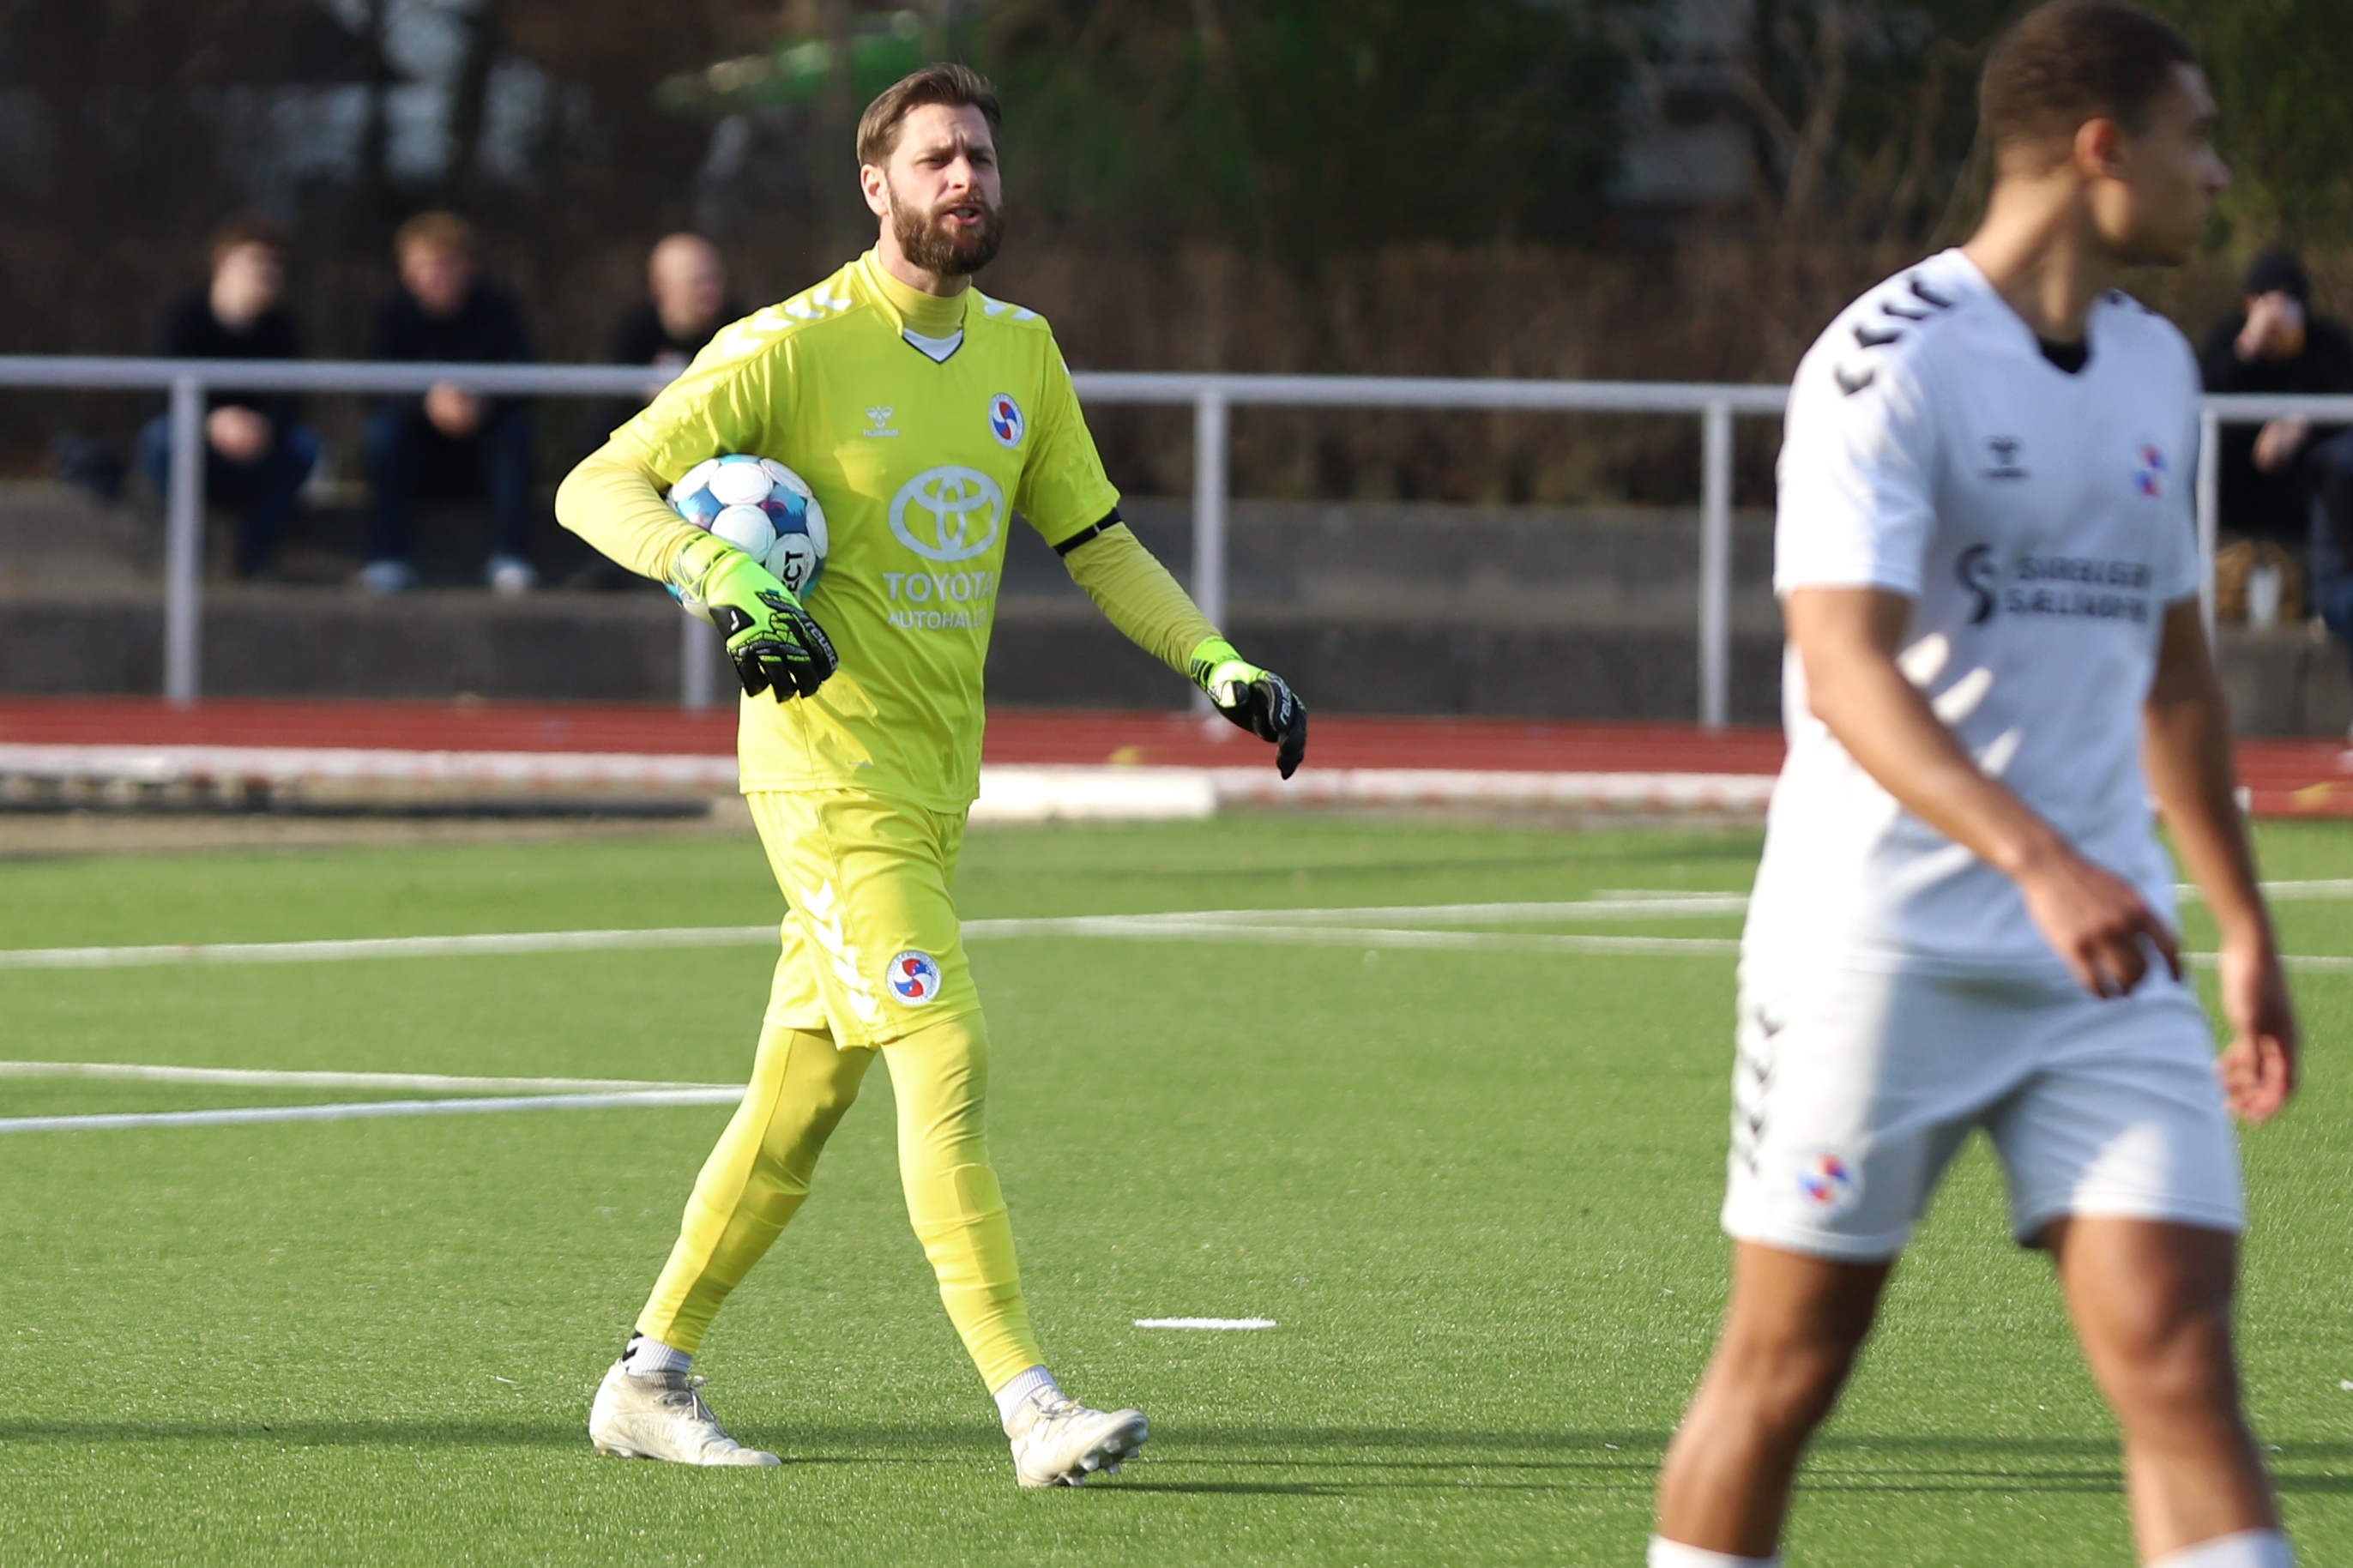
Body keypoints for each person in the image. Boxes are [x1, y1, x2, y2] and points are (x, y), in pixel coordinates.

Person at [557, 64, 1307, 1485]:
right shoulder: (787, 345)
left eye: (980, 158)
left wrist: (1212, 663)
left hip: (927, 790)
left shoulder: (1023, 352)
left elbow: (1093, 542)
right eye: (936, 160)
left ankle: (648, 1375)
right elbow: (595, 483)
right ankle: (1030, 1406)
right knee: (943, 1050)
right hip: (823, 780)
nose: (965, 179)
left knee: (799, 1101)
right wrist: (721, 571)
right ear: (875, 186)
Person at [1650, 6, 2298, 1567]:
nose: (2215, 177)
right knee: (1785, 1366)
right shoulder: (1886, 361)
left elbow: (2177, 682)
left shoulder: (2153, 369)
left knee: (2178, 1359)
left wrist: (2241, 922)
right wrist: (2038, 859)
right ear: (2099, 150)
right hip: (1874, 951)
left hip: (2102, 963)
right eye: (2192, 139)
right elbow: (1844, 667)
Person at [359, 211, 538, 595]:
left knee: (516, 434)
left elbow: (524, 381)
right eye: (424, 266)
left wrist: (480, 403)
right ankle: (388, 556)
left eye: (445, 265)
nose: (434, 277)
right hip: (417, 446)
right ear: (406, 271)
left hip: (482, 445)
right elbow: (372, 388)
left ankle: (510, 555)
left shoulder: (498, 311)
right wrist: (427, 404)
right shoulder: (391, 316)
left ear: (468, 267)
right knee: (383, 434)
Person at [137, 216, 320, 580]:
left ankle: (256, 553)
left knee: (304, 445)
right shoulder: (183, 316)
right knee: (161, 438)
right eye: (257, 260)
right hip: (196, 445)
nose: (268, 272)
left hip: (256, 450)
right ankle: (188, 550)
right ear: (222, 262)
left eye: (276, 263)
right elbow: (158, 392)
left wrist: (260, 425)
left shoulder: (282, 328)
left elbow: (291, 399)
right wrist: (212, 422)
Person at [2198, 247, 2353, 552]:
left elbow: (2344, 403)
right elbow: (2204, 398)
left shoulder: (2328, 345)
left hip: (2304, 493)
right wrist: (2246, 349)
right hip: (2234, 488)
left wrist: (2302, 425)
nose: (2279, 311)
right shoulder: (2224, 340)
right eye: (2267, 300)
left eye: (2290, 299)